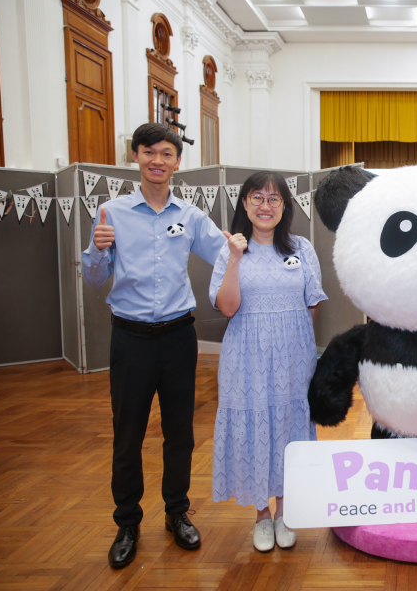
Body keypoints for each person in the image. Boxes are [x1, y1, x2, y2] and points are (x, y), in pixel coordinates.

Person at [81, 123, 228, 568]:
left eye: (166, 153)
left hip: (179, 337)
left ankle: (177, 512)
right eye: (149, 152)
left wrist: (270, 253)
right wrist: (98, 250)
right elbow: (93, 278)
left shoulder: (191, 215)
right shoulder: (111, 212)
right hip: (130, 339)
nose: (157, 160)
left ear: (177, 162)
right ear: (136, 156)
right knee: (127, 434)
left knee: (179, 432)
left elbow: (226, 255)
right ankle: (127, 522)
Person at [209, 171, 327, 552]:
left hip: (293, 357)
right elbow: (228, 307)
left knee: (290, 426)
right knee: (255, 425)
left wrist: (292, 342)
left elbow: (312, 304)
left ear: (284, 206)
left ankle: (285, 513)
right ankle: (262, 515)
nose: (265, 205)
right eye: (257, 197)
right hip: (246, 357)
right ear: (244, 204)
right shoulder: (230, 250)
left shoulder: (301, 248)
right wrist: (234, 258)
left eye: (274, 198)